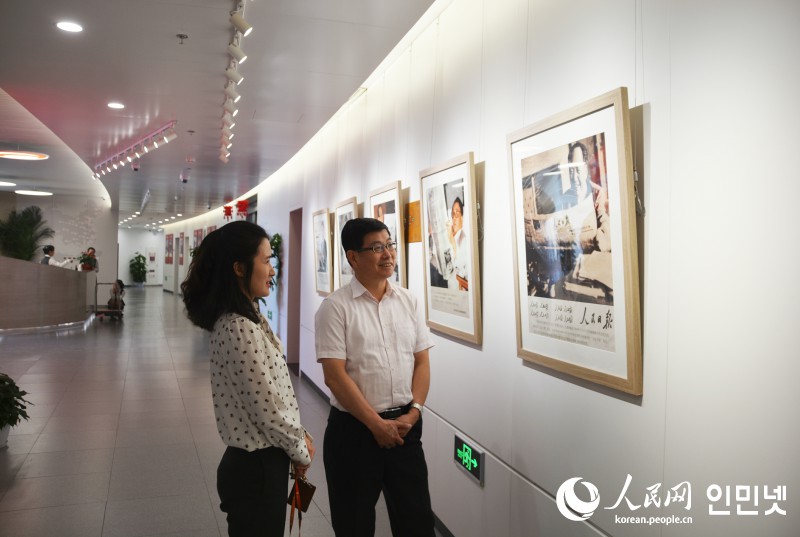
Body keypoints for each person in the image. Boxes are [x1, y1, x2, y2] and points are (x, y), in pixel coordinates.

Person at [180, 221, 315, 537]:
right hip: (256, 470)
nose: (273, 270)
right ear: (239, 268)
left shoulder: (248, 318)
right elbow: (268, 411)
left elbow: (274, 395)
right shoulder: (237, 327)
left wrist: (300, 436)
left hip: (264, 464)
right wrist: (301, 450)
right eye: (266, 261)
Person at [315, 217, 435, 537]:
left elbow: (422, 362)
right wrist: (375, 425)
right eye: (377, 247)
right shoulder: (335, 308)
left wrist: (415, 411)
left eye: (390, 245)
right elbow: (334, 377)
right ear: (353, 257)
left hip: (405, 429)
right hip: (354, 433)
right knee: (354, 525)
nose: (388, 254)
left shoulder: (408, 300)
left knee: (417, 523)